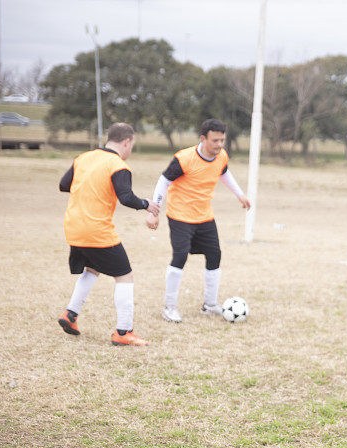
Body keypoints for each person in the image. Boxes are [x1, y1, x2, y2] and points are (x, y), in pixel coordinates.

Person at [57, 122, 159, 346]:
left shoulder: (84, 157)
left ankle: (70, 315)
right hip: (96, 230)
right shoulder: (117, 164)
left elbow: (64, 185)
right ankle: (124, 333)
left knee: (93, 268)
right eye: (132, 145)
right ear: (126, 141)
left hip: (74, 226)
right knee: (124, 275)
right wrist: (146, 204)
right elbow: (126, 197)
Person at [146, 118, 251, 322]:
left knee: (214, 255)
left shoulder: (221, 156)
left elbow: (224, 173)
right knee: (180, 257)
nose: (220, 145)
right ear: (203, 138)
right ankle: (169, 307)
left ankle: (210, 305)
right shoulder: (184, 158)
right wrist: (154, 211)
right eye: (215, 140)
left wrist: (240, 194)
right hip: (180, 216)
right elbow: (164, 181)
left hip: (204, 216)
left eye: (222, 140)